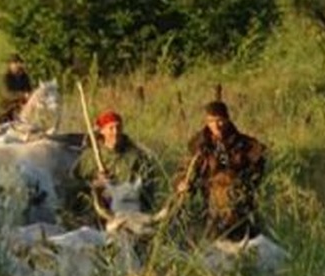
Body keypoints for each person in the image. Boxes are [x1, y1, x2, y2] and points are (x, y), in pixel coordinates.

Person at [178, 101, 267, 241]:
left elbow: (257, 170)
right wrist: (183, 182)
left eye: (219, 120)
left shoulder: (244, 145)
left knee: (253, 239)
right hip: (210, 204)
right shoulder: (199, 145)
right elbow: (186, 169)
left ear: (227, 119)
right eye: (211, 121)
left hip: (238, 204)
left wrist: (241, 186)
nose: (216, 125)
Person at [71, 110, 160, 221]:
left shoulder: (136, 157)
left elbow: (149, 189)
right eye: (111, 128)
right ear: (102, 131)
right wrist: (95, 184)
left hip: (127, 213)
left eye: (118, 127)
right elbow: (73, 184)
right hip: (95, 214)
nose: (116, 132)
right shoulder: (90, 157)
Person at [0, 53, 33, 123]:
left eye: (19, 62)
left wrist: (30, 95)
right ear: (10, 65)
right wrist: (22, 95)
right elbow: (6, 94)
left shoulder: (25, 77)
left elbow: (29, 90)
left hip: (23, 107)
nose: (17, 65)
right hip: (7, 109)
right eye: (15, 63)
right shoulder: (5, 78)